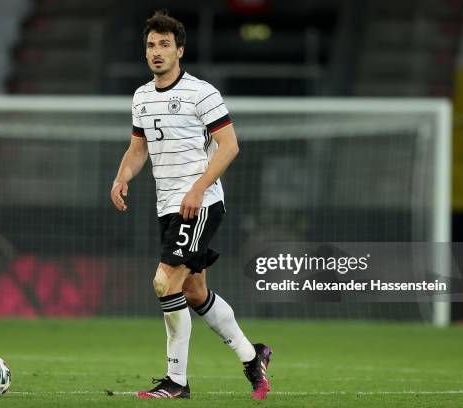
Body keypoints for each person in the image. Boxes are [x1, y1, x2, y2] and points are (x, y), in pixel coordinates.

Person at [110, 10, 272, 400]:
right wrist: (121, 177)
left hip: (199, 203)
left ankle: (176, 382)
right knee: (195, 292)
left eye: (165, 44)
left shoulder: (202, 93)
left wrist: (198, 189)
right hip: (167, 206)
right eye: (151, 45)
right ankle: (255, 358)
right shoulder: (142, 97)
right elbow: (138, 149)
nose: (157, 51)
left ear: (179, 50)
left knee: (164, 281)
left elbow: (229, 146)